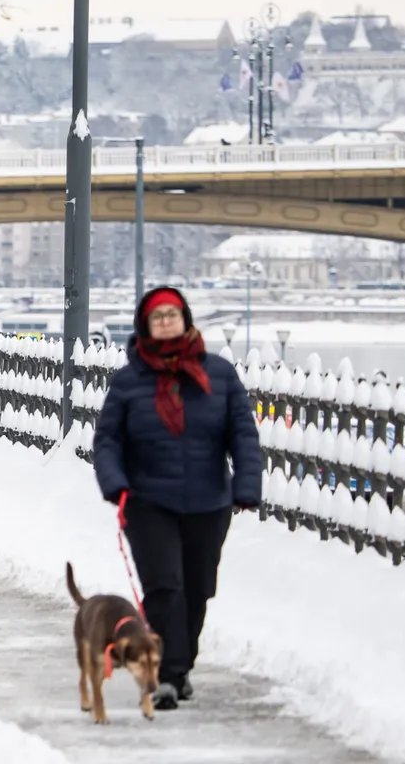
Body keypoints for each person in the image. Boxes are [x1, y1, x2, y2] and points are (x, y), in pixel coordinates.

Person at [92, 286, 261, 711]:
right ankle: (168, 675)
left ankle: (181, 666)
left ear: (186, 320)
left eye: (172, 314)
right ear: (145, 326)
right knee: (165, 587)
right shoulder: (129, 381)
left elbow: (242, 435)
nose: (166, 321)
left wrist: (246, 485)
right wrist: (114, 482)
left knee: (198, 588)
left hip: (209, 501)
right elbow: (108, 438)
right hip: (148, 500)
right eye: (157, 316)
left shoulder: (219, 374)